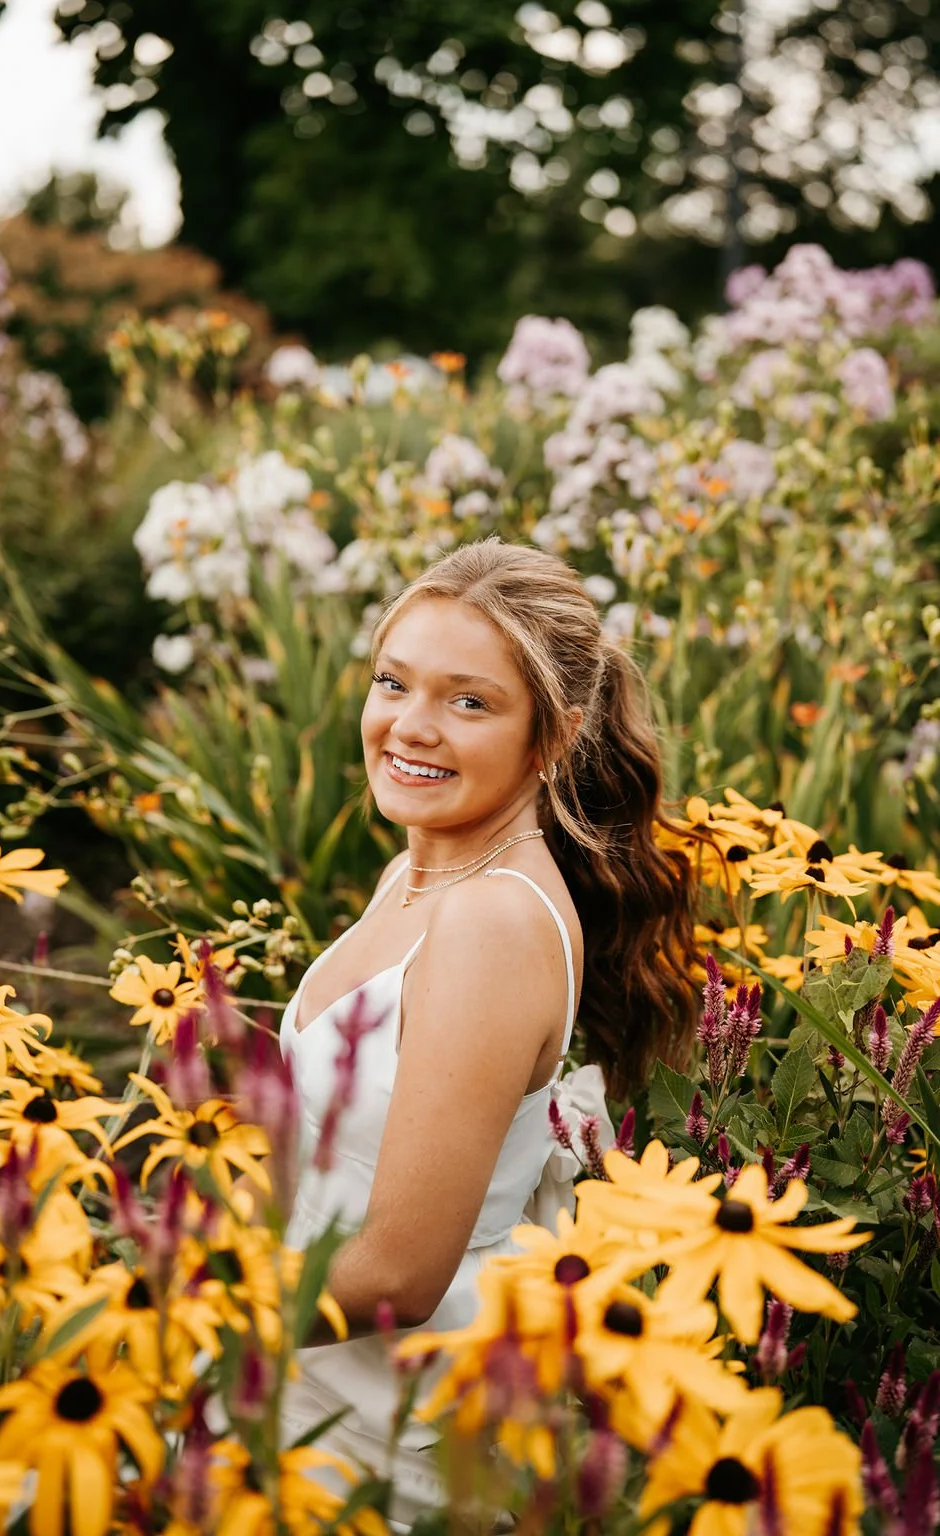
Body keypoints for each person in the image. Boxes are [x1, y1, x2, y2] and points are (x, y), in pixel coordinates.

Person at [277, 537, 699, 1530]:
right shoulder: (420, 873)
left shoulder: (492, 920)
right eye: (394, 682)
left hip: (363, 1445)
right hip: (297, 1380)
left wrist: (168, 1300)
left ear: (554, 736)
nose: (409, 727)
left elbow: (399, 1275)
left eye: (468, 701)